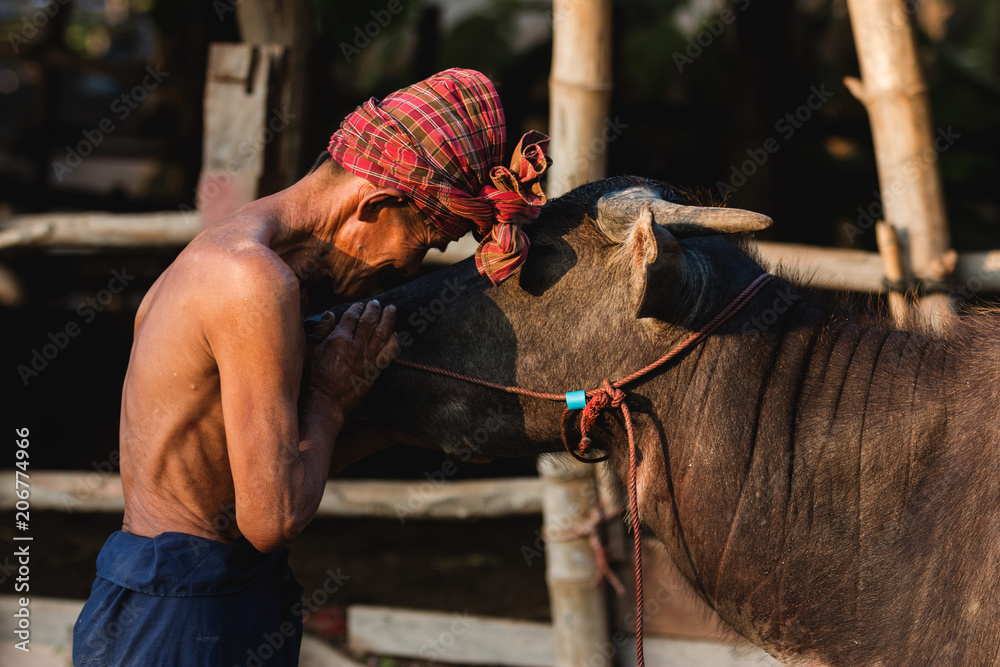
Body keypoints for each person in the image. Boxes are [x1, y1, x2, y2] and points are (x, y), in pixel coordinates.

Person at [72, 67, 550, 666]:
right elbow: (270, 517)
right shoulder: (251, 283)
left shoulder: (227, 261)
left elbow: (244, 474)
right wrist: (326, 396)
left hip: (192, 595)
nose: (408, 269)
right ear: (376, 204)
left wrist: (400, 426)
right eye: (424, 243)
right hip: (180, 612)